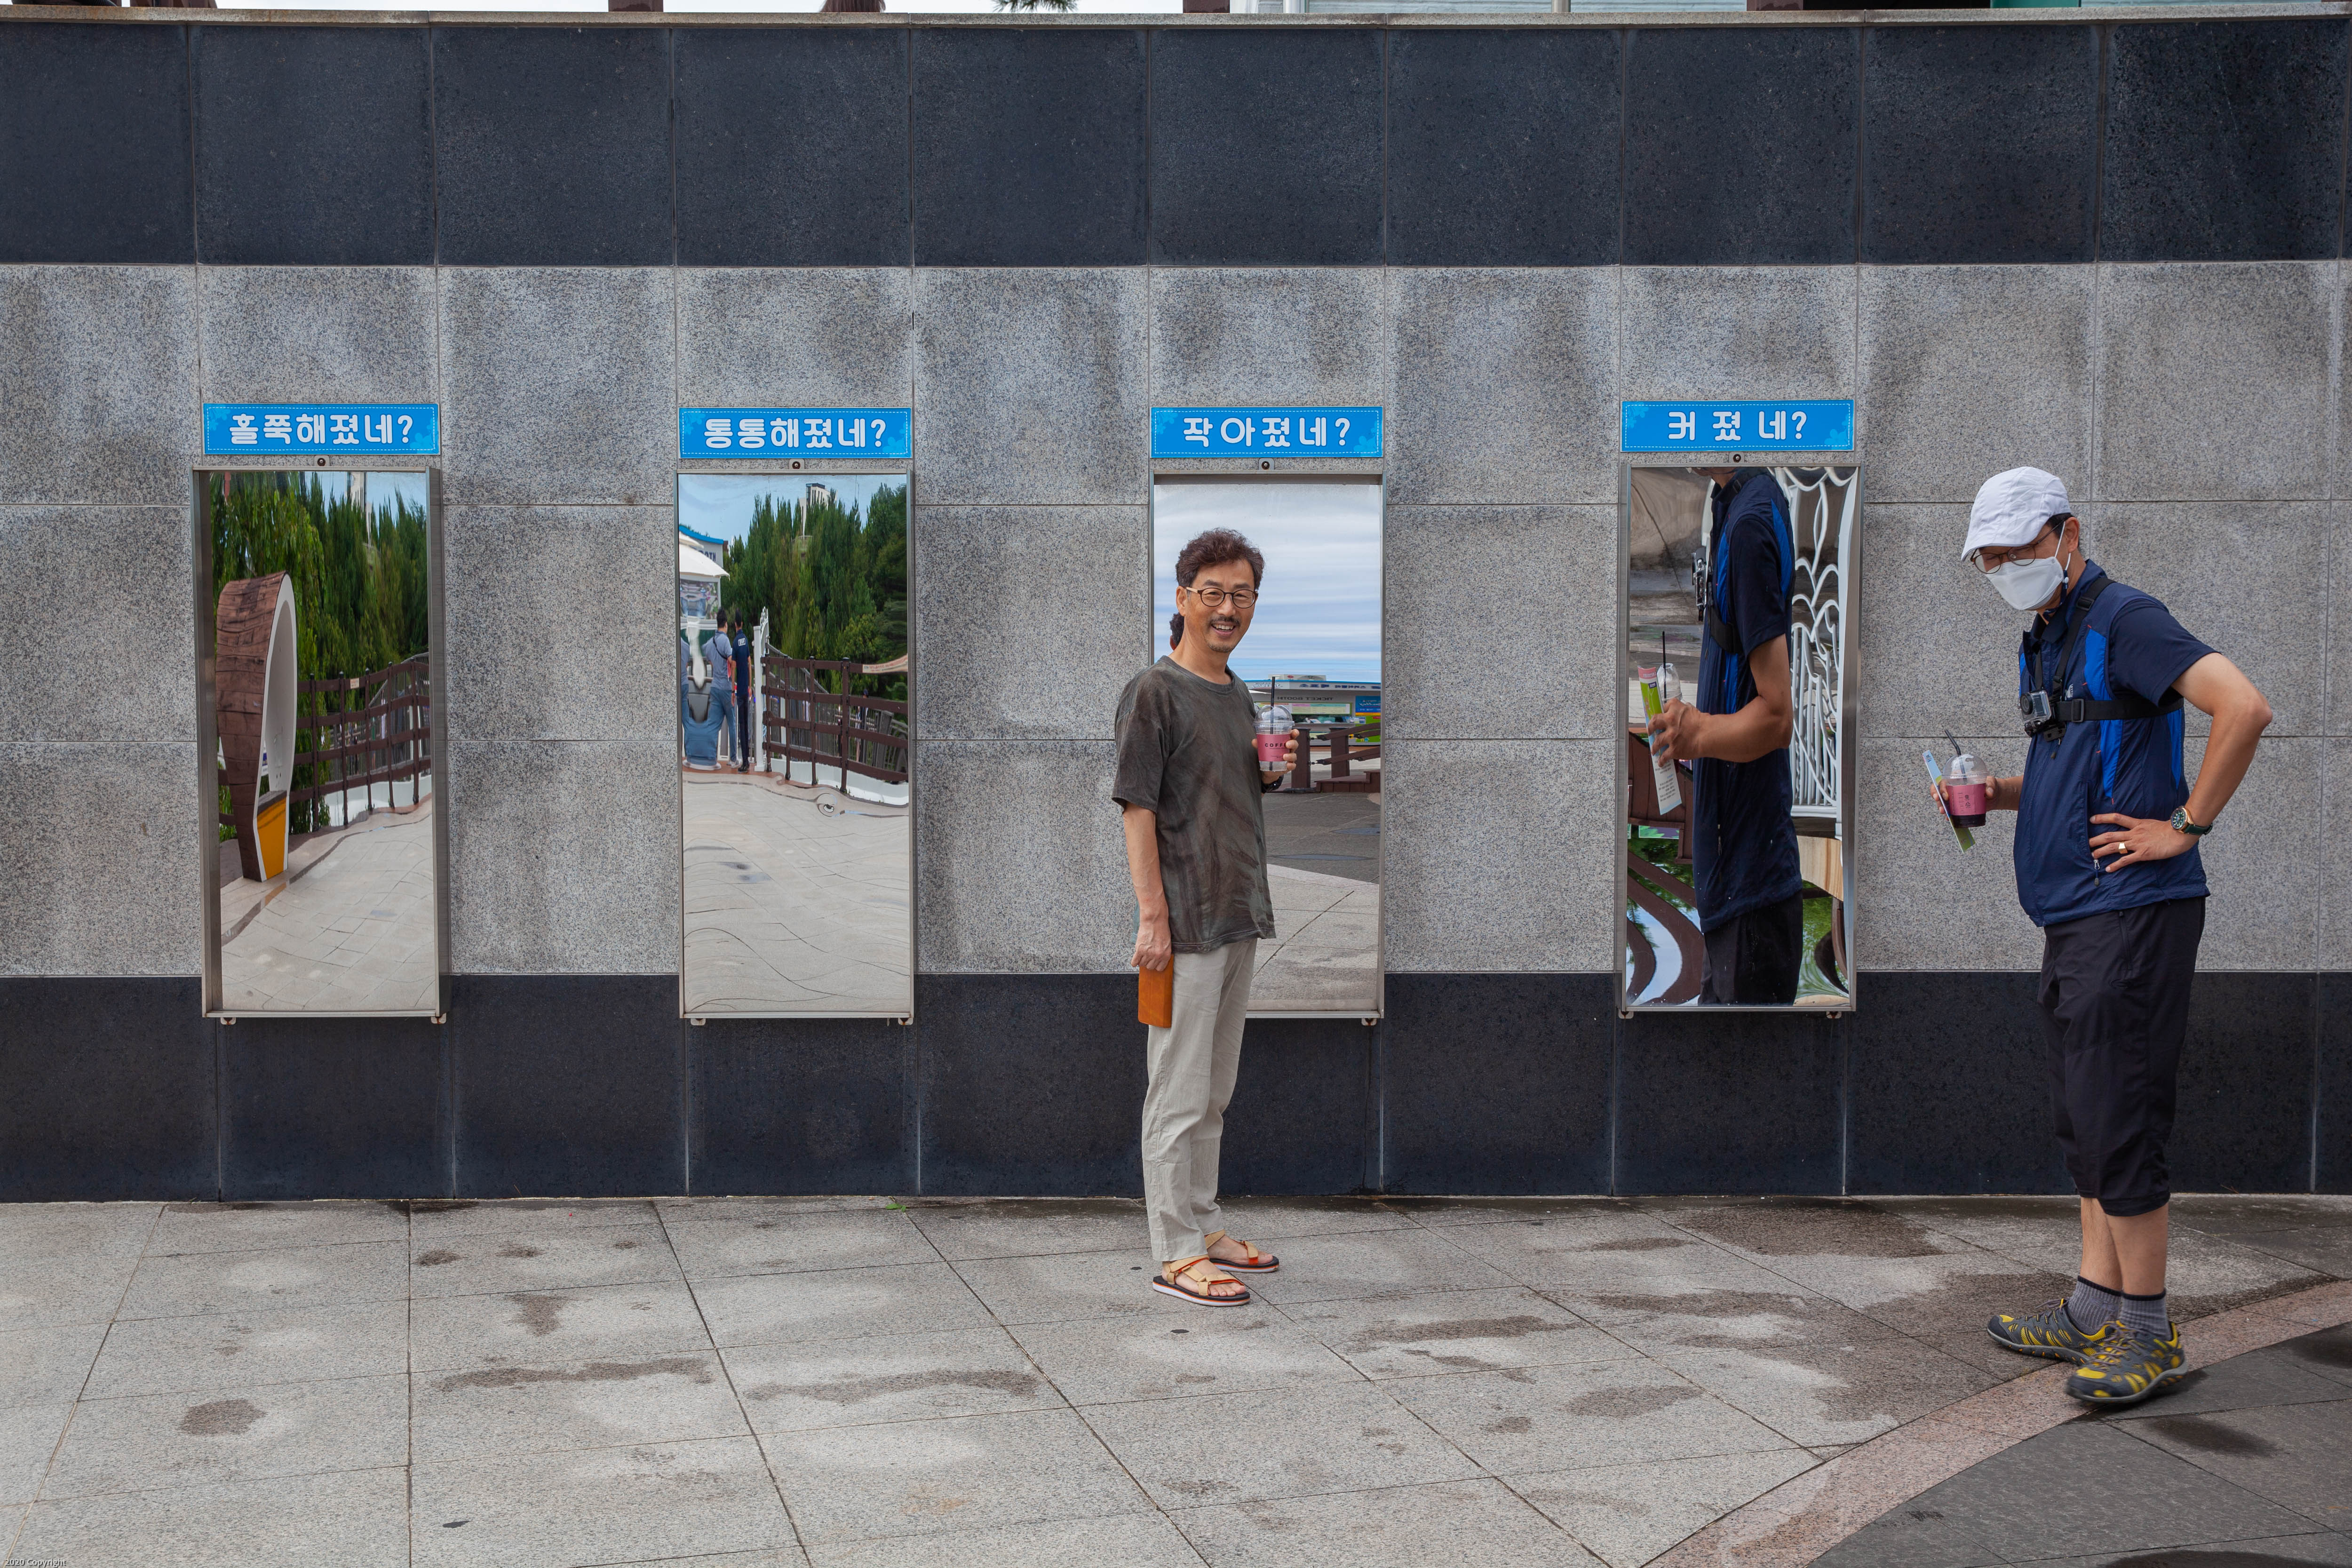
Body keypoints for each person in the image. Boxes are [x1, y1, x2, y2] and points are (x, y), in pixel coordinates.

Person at [1952, 469, 2272, 1407]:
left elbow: (2243, 706)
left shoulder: (2126, 619)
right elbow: (2082, 764)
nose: (2004, 568)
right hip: (2077, 915)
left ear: (2068, 534)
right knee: (2087, 1115)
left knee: (2121, 1118)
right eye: (1989, 558)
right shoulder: (2048, 637)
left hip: (2131, 913)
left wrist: (2186, 824)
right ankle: (2096, 1305)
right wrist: (1997, 793)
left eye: (2017, 549)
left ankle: (2146, 1328)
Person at [1112, 529, 1296, 1307]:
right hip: (1185, 923)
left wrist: (1271, 774)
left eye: (1242, 594)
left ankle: (1205, 1222)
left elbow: (1229, 788)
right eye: (1213, 592)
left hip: (1239, 912)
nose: (1228, 608)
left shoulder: (1239, 692)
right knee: (1177, 1093)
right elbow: (1137, 809)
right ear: (1183, 598)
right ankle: (1176, 1251)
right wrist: (1152, 917)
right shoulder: (1154, 692)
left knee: (1215, 1090)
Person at [1647, 467, 1804, 1004]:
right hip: (1736, 889)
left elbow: (1777, 717)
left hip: (1750, 895)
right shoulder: (1734, 504)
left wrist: (1700, 733)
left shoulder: (1749, 523)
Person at [706, 613, 737, 768]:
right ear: (725, 625)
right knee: (732, 723)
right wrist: (733, 688)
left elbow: (709, 658)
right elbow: (732, 662)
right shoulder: (725, 641)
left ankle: (710, 757)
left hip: (715, 687)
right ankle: (733, 759)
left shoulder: (711, 642)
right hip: (725, 688)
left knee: (713, 724)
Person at [730, 610, 756, 773]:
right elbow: (749, 663)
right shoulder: (745, 640)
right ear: (742, 624)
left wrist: (733, 690)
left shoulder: (735, 643)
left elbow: (733, 666)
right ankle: (747, 761)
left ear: (735, 624)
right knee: (747, 724)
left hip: (740, 691)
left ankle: (745, 762)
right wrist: (750, 685)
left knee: (742, 725)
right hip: (747, 689)